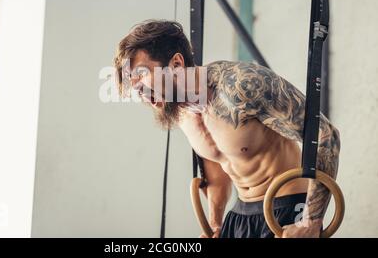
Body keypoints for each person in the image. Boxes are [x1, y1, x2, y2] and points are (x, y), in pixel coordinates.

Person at [113, 20, 340, 238]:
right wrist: (215, 222)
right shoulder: (178, 109)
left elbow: (325, 135)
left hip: (286, 207)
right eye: (132, 81)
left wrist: (310, 220)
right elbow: (218, 161)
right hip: (241, 214)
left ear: (176, 64)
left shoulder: (242, 87)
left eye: (142, 74)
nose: (137, 88)